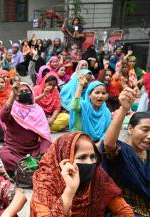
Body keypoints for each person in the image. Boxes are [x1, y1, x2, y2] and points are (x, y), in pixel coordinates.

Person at [30, 132, 134, 217]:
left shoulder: (97, 175)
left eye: (92, 157)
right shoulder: (45, 183)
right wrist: (69, 191)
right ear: (65, 159)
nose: (90, 162)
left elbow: (124, 211)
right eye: (82, 157)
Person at [101, 87, 150, 216]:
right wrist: (123, 109)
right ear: (130, 129)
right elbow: (108, 144)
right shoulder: (122, 151)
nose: (149, 136)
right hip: (127, 211)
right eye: (145, 130)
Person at [0, 82, 52, 173]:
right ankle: (29, 166)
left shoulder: (38, 110)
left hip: (33, 150)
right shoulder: (12, 108)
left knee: (51, 149)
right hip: (13, 150)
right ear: (16, 95)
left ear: (31, 93)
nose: (24, 92)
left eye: (26, 90)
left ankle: (31, 166)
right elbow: (3, 117)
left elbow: (45, 136)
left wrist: (43, 153)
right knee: (2, 155)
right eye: (21, 91)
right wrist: (12, 95)